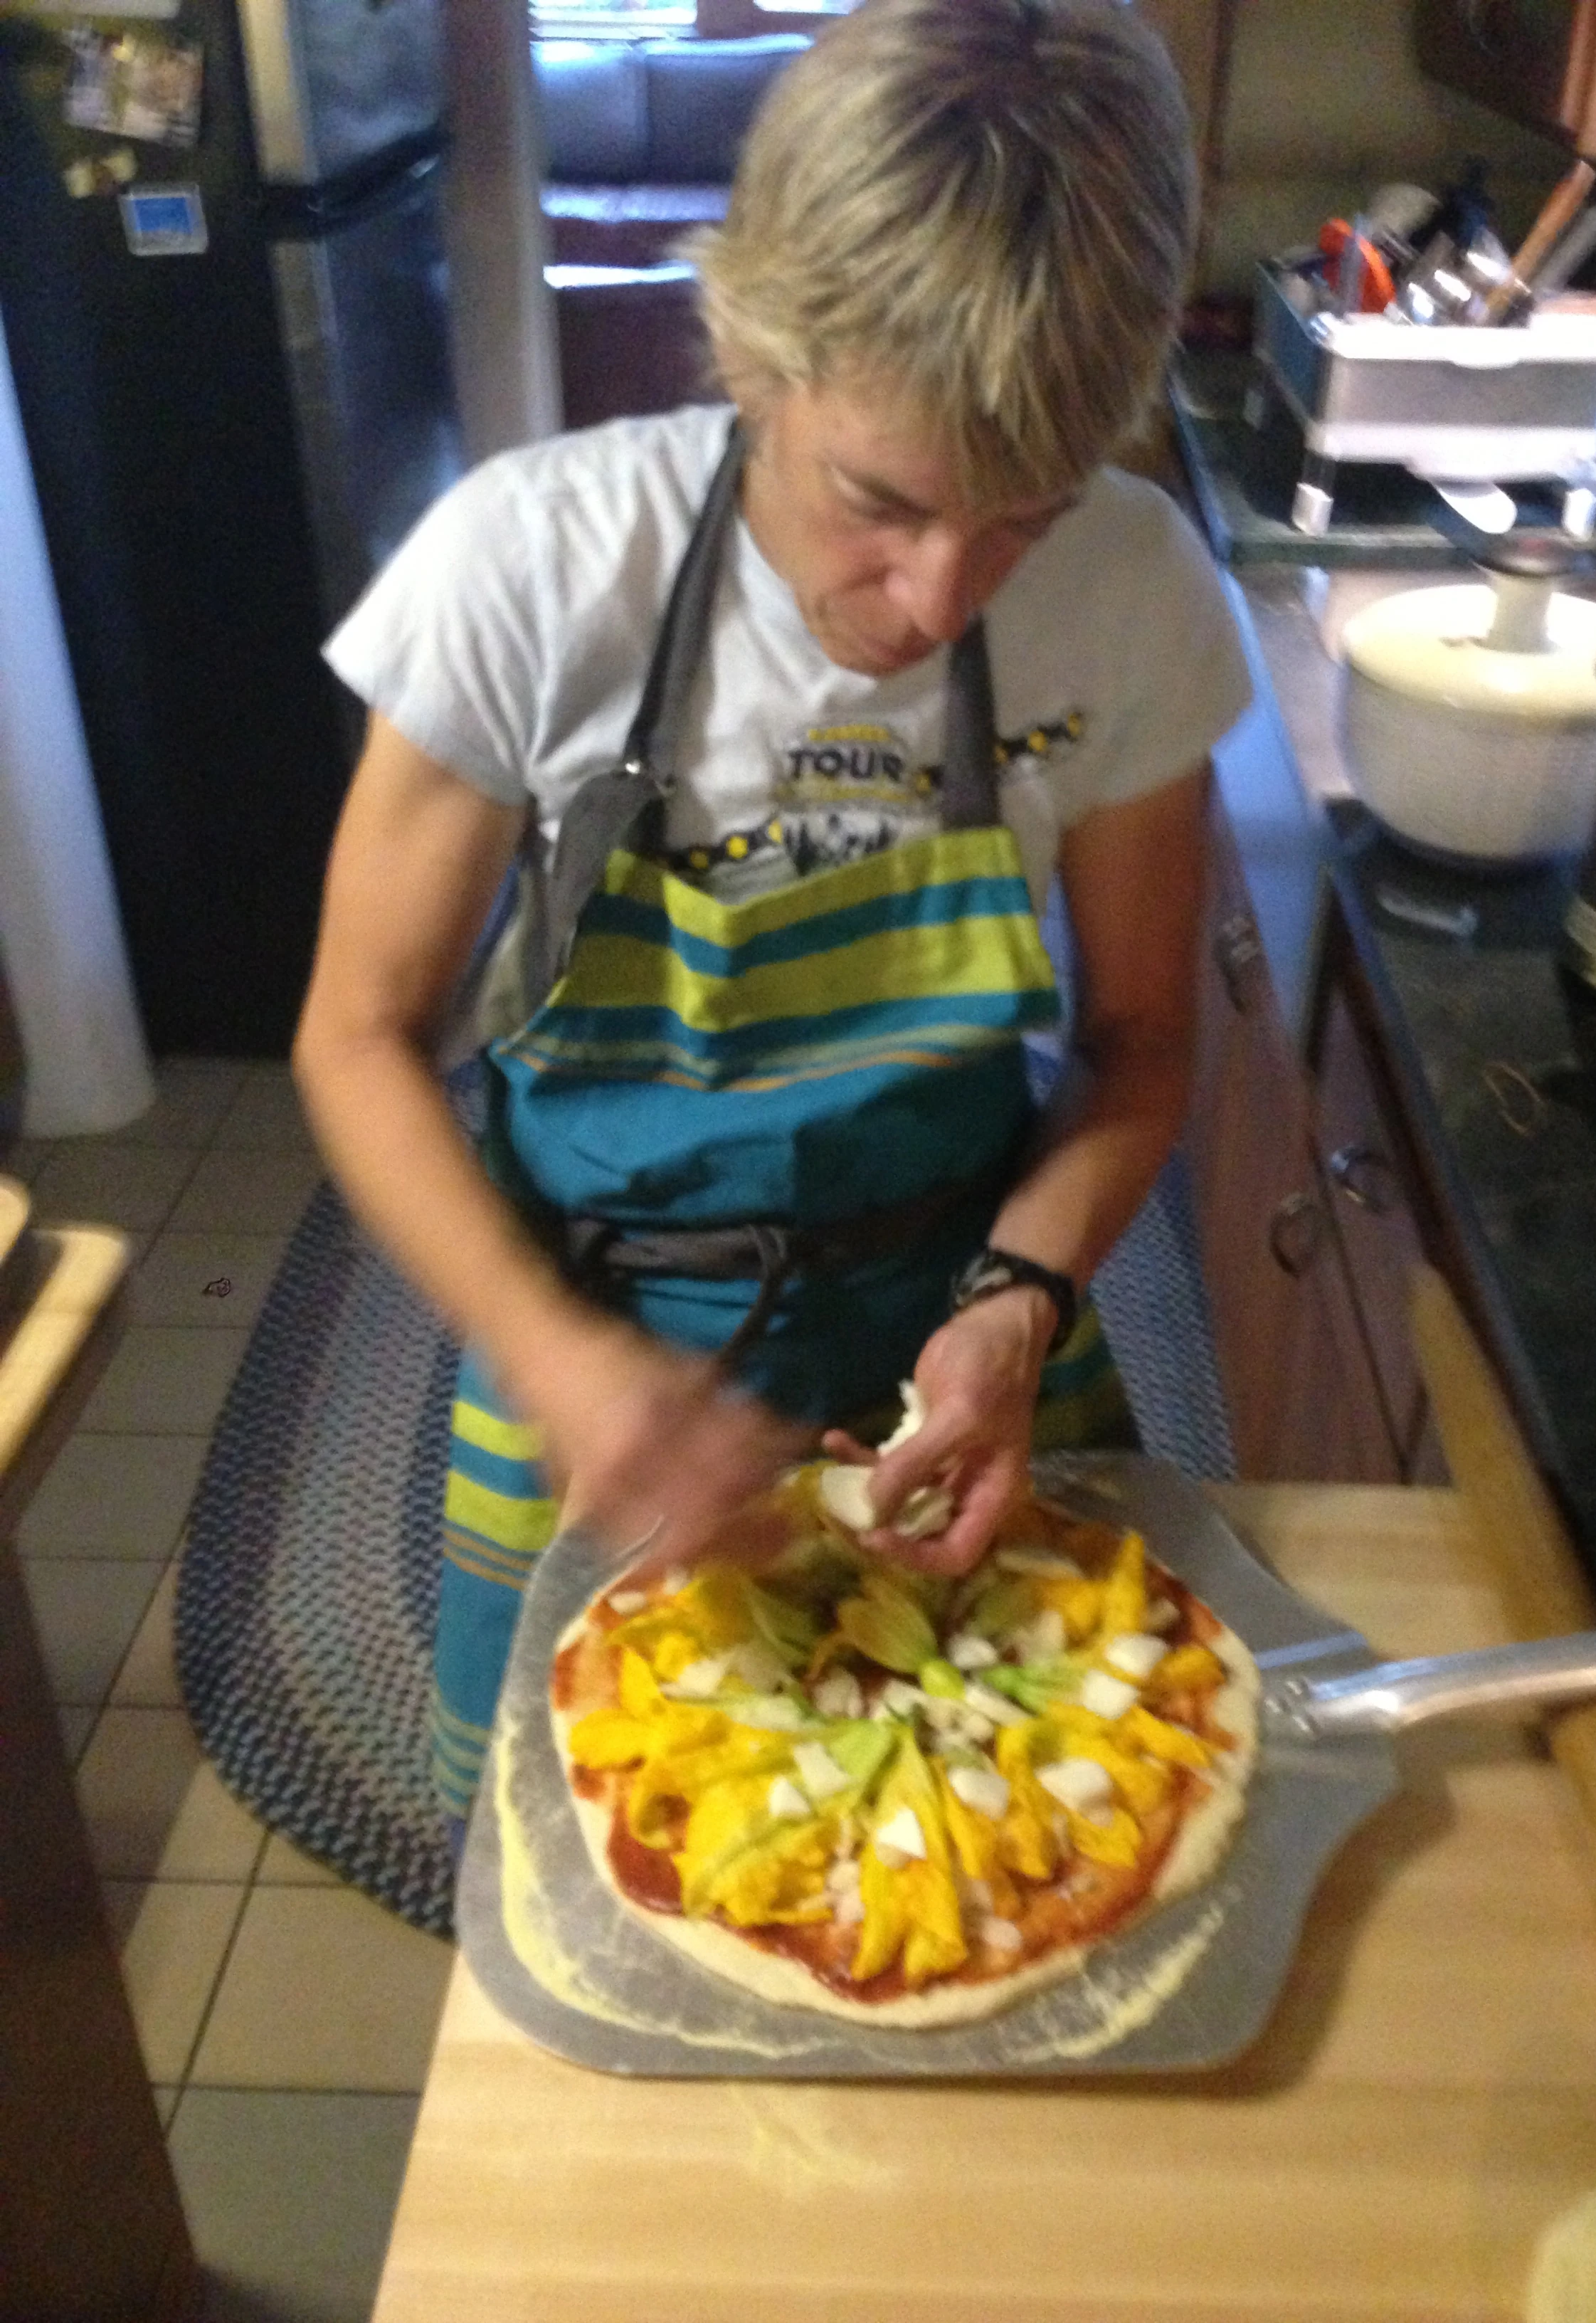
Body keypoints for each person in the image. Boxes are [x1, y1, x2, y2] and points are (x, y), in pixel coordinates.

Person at [292, 0, 1252, 1826]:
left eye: (1026, 518)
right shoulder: (532, 570)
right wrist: (567, 1367)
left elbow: (1138, 1044)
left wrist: (1015, 1308)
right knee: (605, 1829)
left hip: (960, 1312)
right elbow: (355, 1038)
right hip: (595, 1330)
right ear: (748, 352)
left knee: (1019, 1812)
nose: (942, 599)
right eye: (878, 502)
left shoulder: (1138, 595)